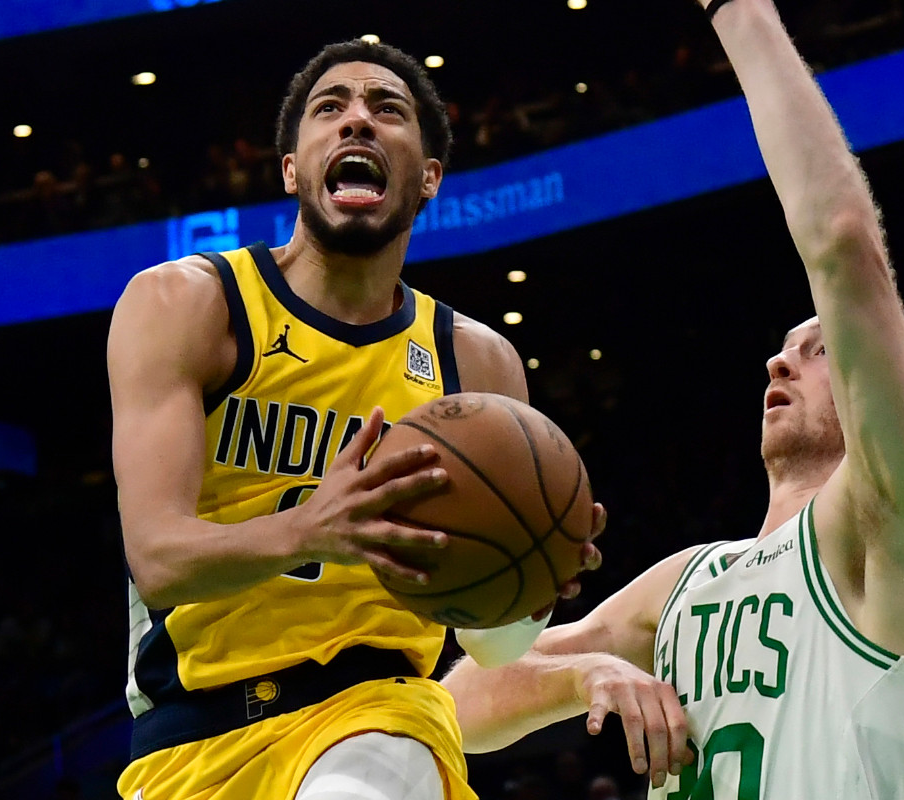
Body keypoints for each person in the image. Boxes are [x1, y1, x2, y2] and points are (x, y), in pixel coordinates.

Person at [442, 0, 904, 796]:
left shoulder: (892, 538)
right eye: (783, 349)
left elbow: (840, 240)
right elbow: (456, 705)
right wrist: (584, 675)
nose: (778, 363)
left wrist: (740, 12)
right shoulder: (690, 580)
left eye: (818, 349)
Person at [107, 40, 601, 800]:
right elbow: (159, 558)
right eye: (330, 108)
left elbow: (489, 647)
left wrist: (529, 586)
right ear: (292, 169)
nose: (358, 122)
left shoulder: (476, 362)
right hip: (189, 744)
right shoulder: (191, 304)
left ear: (430, 176)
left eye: (387, 110)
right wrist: (314, 528)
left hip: (379, 721)